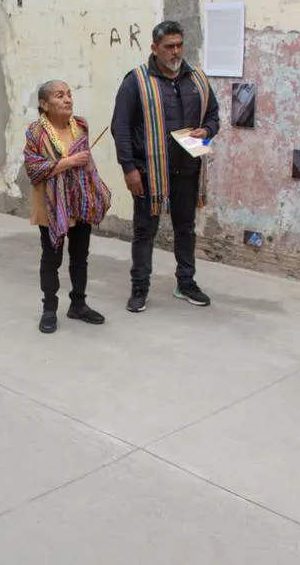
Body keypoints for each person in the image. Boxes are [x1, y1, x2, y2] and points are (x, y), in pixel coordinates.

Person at [111, 20, 220, 313]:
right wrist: (129, 169)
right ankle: (139, 289)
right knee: (144, 232)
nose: (176, 52)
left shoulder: (197, 79)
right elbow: (120, 128)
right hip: (149, 174)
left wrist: (207, 131)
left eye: (179, 45)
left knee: (186, 229)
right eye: (169, 46)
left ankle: (186, 283)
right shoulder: (136, 81)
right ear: (154, 48)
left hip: (188, 170)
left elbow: (213, 115)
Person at [23, 80, 112, 334]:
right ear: (43, 104)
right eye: (59, 95)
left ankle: (78, 304)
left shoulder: (80, 126)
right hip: (51, 206)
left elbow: (87, 163)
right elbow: (34, 169)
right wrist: (70, 161)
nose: (67, 99)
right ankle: (49, 309)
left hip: (80, 200)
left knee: (80, 256)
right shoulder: (36, 133)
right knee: (51, 259)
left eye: (69, 94)